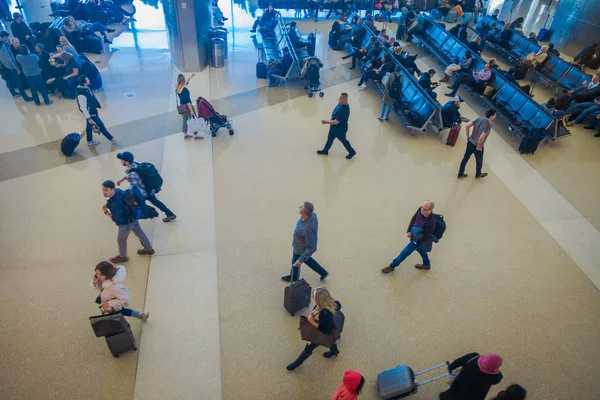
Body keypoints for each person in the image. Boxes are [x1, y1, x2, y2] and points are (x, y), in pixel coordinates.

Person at [286, 287, 341, 370]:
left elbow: (325, 330)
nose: (312, 297)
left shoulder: (324, 313)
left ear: (319, 299)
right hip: (331, 328)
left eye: (314, 296)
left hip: (321, 332)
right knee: (331, 340)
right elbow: (338, 307)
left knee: (309, 348)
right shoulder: (334, 303)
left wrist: (311, 321)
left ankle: (297, 363)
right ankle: (334, 351)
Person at [102, 180, 154, 264]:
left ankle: (123, 257)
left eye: (106, 190)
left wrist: (106, 212)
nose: (104, 192)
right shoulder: (118, 191)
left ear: (112, 189)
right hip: (133, 216)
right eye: (103, 190)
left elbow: (116, 218)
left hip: (126, 223)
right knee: (139, 233)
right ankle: (148, 248)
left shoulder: (114, 204)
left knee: (121, 239)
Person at [116, 151, 177, 223]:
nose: (121, 161)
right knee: (156, 202)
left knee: (132, 207)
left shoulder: (131, 174)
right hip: (149, 189)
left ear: (126, 162)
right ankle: (169, 213)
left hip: (143, 194)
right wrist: (122, 179)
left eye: (122, 160)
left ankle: (133, 223)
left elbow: (134, 188)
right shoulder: (135, 165)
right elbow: (134, 175)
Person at [382, 201, 437, 273]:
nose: (422, 210)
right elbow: (413, 219)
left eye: (425, 209)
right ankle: (426, 264)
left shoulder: (431, 222)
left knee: (404, 253)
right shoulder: (419, 210)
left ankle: (392, 266)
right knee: (421, 250)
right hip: (414, 235)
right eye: (422, 207)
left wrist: (415, 241)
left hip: (417, 240)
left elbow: (426, 236)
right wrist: (409, 231)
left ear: (431, 210)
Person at [281, 201, 328, 282]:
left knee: (297, 260)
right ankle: (322, 272)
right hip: (299, 244)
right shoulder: (312, 216)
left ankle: (294, 277)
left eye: (301, 207)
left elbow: (311, 247)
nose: (299, 206)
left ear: (305, 212)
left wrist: (300, 260)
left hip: (300, 247)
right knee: (307, 259)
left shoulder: (307, 229)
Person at [77, 75, 116, 145]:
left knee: (89, 127)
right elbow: (83, 108)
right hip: (90, 113)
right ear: (85, 83)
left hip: (93, 110)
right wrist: (88, 118)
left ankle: (89, 140)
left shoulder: (85, 88)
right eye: (87, 79)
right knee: (101, 126)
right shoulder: (81, 95)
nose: (89, 80)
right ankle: (111, 138)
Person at [458, 108, 497, 179]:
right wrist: (479, 147)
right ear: (491, 116)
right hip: (477, 146)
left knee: (465, 158)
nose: (495, 116)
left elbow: (467, 126)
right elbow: (481, 138)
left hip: (470, 142)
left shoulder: (480, 118)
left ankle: (460, 173)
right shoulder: (488, 125)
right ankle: (478, 174)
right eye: (495, 115)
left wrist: (467, 137)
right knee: (479, 161)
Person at [317, 93, 356, 159]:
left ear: (345, 100)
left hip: (339, 129)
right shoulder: (341, 104)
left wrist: (326, 122)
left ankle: (352, 151)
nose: (339, 99)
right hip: (334, 128)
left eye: (340, 98)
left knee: (343, 140)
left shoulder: (343, 110)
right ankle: (325, 151)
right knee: (330, 139)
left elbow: (336, 122)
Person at [0, 31, 32, 100]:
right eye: (8, 37)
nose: (8, 39)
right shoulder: (3, 45)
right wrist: (16, 68)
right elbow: (9, 57)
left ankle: (13, 93)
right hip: (10, 67)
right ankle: (26, 97)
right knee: (19, 82)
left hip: (3, 66)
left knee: (9, 80)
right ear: (4, 37)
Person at [175, 73, 203, 139]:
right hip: (188, 106)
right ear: (183, 80)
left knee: (185, 120)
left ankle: (185, 134)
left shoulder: (177, 88)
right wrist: (191, 110)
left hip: (182, 107)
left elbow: (185, 83)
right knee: (193, 119)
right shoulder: (185, 90)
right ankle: (196, 134)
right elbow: (188, 101)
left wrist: (190, 77)